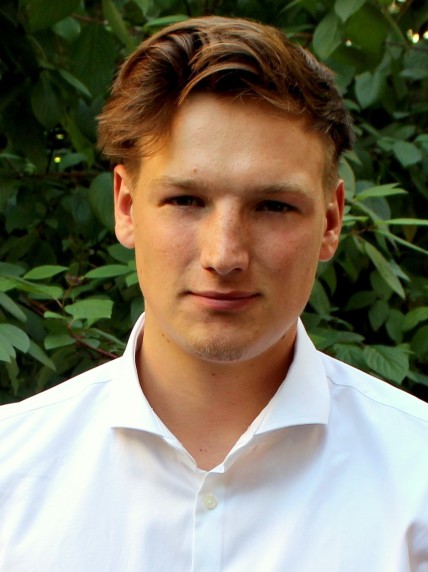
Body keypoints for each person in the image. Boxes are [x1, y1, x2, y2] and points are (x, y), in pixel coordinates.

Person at [1, 16, 427, 571]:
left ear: (330, 221)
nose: (224, 255)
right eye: (185, 200)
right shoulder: (12, 469)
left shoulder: (417, 476)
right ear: (126, 206)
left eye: (273, 206)